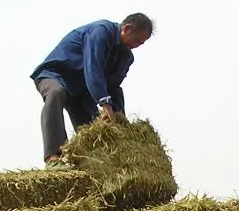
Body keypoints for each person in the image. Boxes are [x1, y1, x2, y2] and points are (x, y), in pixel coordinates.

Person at [30, 14, 154, 168]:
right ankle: (53, 157)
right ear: (127, 29)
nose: (137, 46)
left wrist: (118, 116)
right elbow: (92, 68)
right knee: (56, 93)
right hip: (56, 76)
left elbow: (114, 87)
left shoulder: (126, 57)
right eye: (137, 40)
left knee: (94, 131)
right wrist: (105, 103)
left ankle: (90, 168)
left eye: (141, 43)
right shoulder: (100, 32)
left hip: (82, 91)